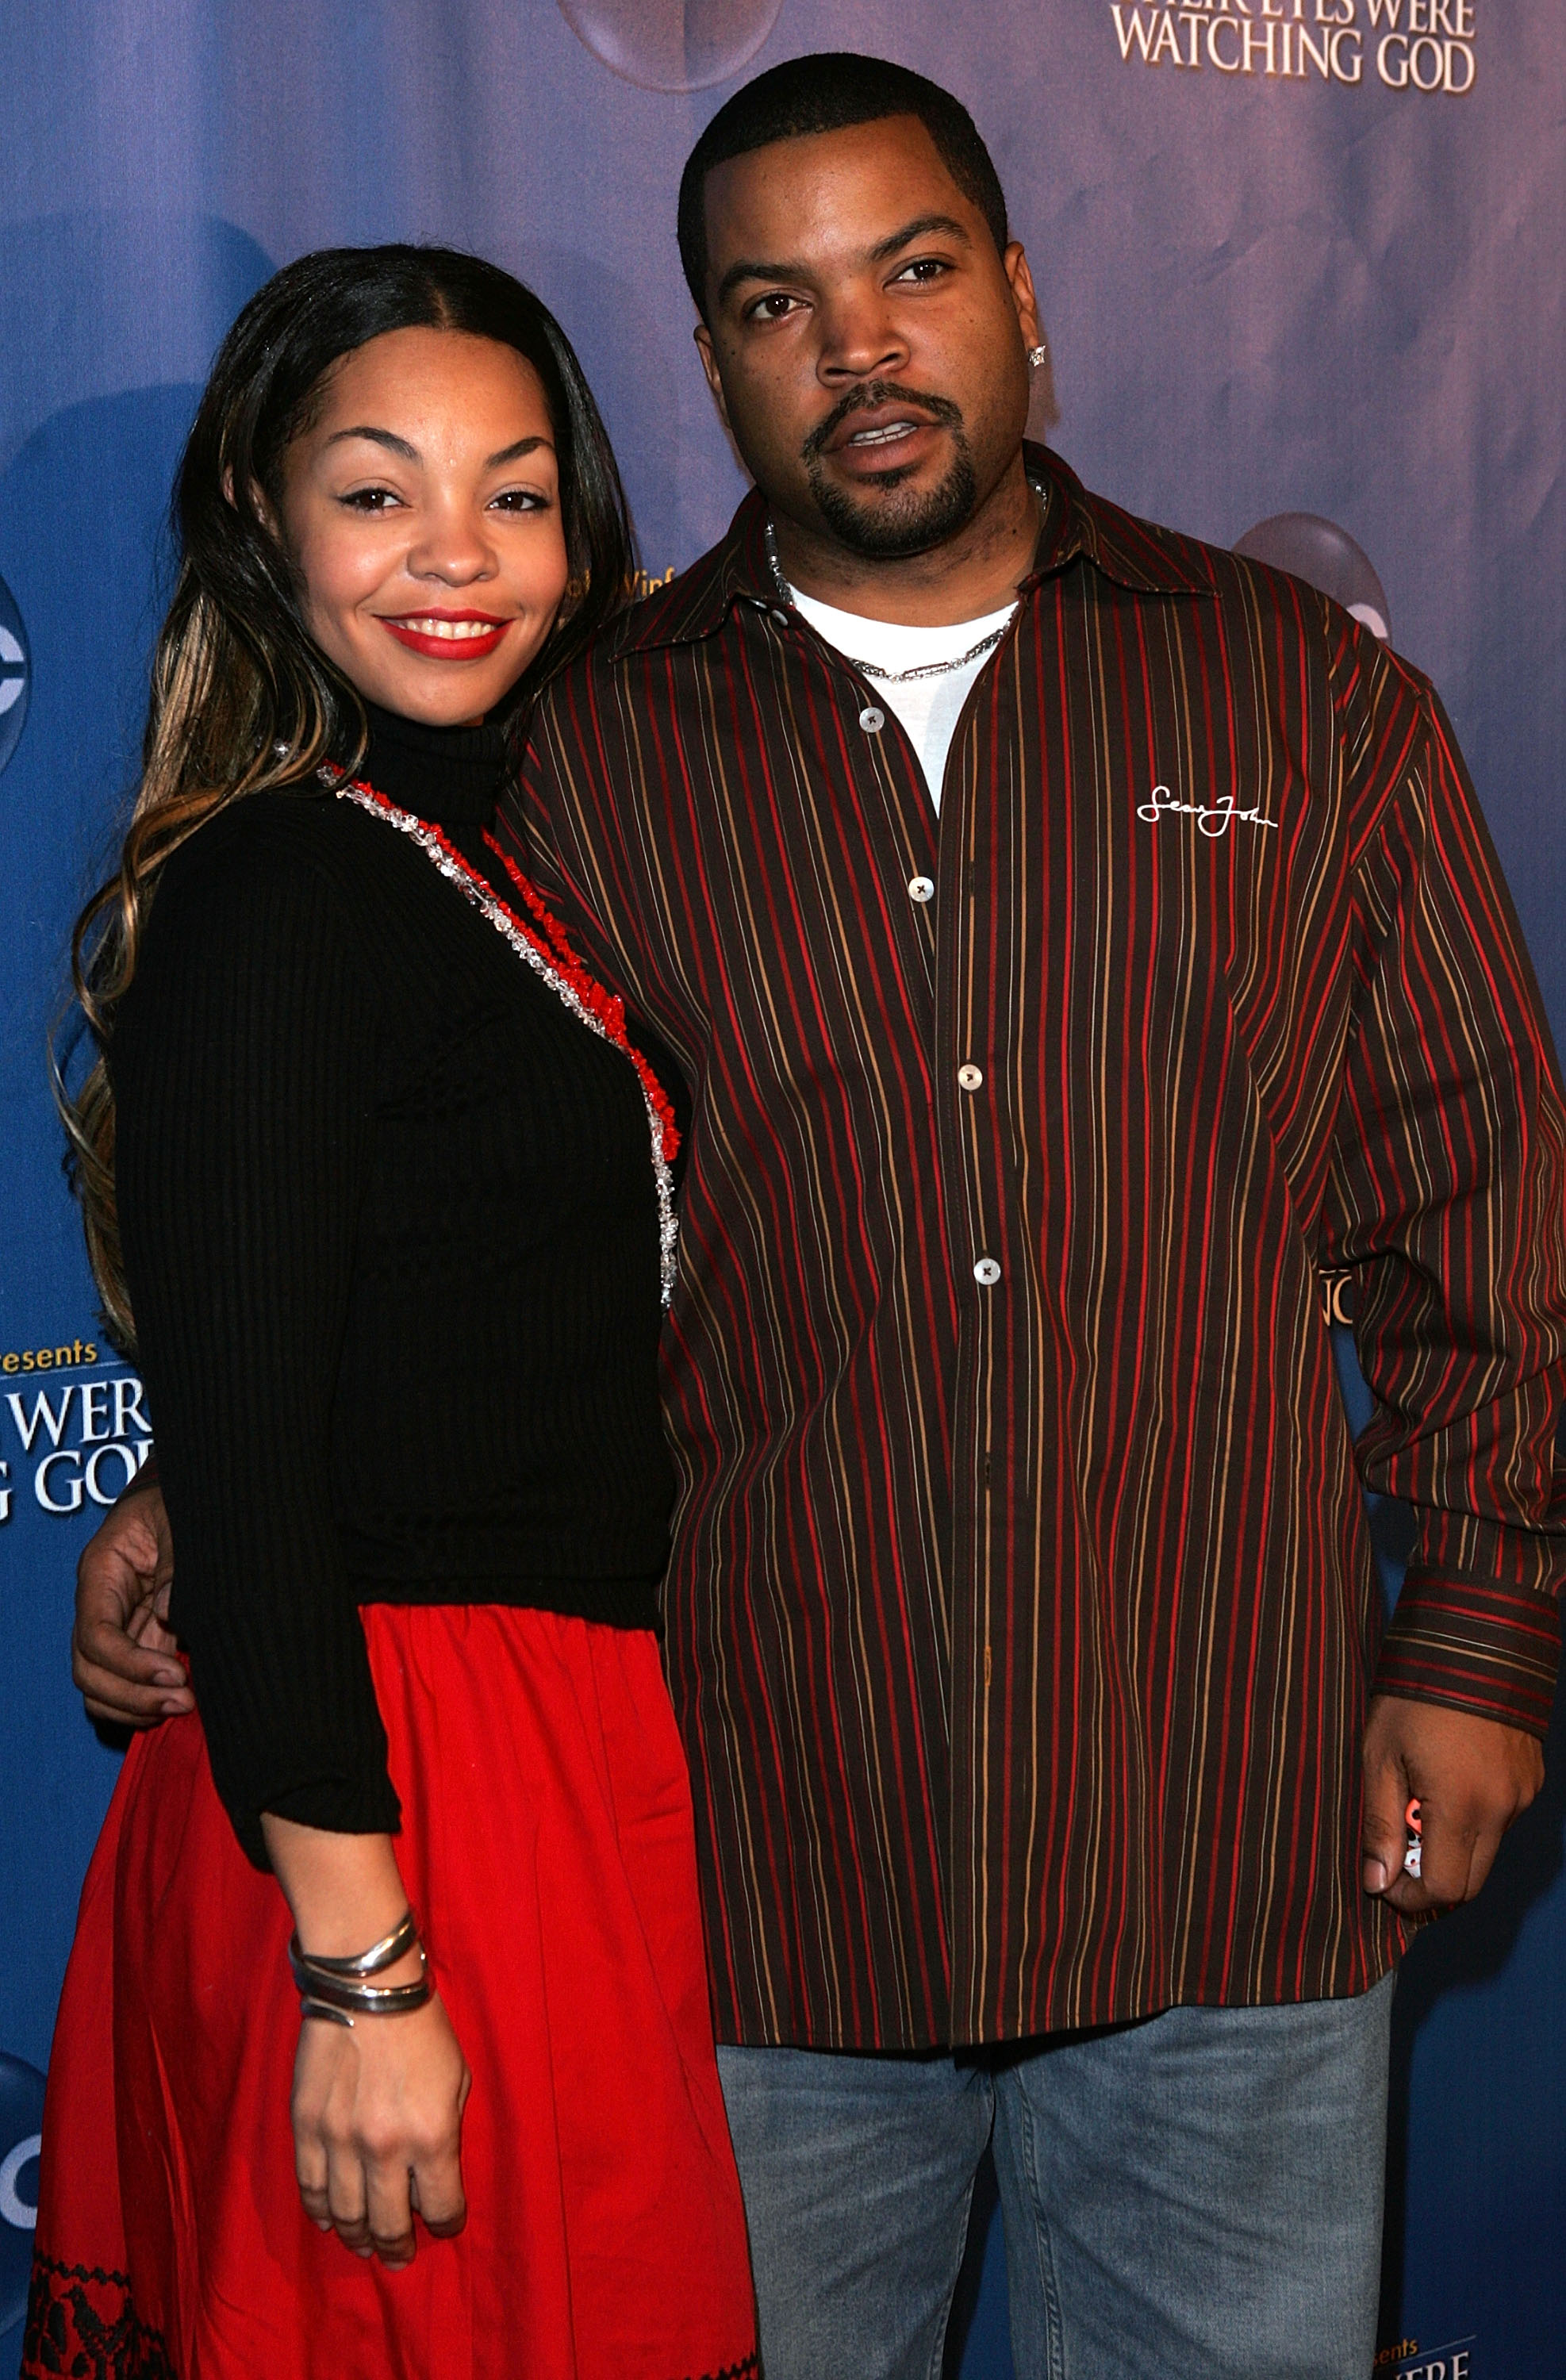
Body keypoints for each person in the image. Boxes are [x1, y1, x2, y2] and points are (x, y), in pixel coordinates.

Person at [74, 56, 1566, 2380]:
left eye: (915, 269)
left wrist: (1474, 1635)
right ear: (705, 367)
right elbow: (428, 1205)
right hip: (753, 1895)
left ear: (1026, 298)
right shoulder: (563, 745)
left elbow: (1480, 1201)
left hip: (1231, 1845)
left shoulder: (1302, 709)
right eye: (775, 302)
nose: (856, 344)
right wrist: (217, 1477)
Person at [30, 245, 757, 2380]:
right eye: (380, 490)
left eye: (517, 493)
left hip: (528, 1775)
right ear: (259, 517)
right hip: (398, 1809)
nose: (459, 553)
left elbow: (366, 1329)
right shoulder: (281, 891)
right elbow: (263, 1469)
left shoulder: (472, 861)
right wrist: (364, 1979)